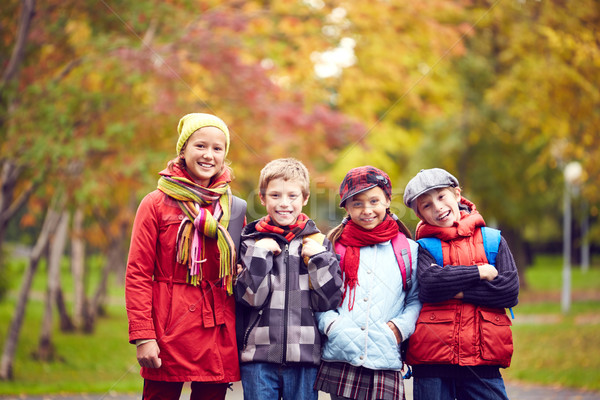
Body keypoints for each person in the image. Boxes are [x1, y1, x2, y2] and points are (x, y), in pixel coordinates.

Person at [125, 113, 246, 400]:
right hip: (168, 329)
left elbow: (240, 269)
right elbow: (138, 273)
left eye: (218, 149)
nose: (209, 155)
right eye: (200, 146)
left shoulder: (235, 208)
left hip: (217, 329)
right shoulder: (155, 203)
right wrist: (144, 336)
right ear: (183, 150)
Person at [402, 168, 520, 400]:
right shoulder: (421, 248)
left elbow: (508, 291)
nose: (437, 207)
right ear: (420, 215)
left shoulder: (493, 240)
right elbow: (429, 286)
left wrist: (455, 290)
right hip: (432, 361)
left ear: (457, 195)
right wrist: (479, 271)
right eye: (426, 205)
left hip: (482, 359)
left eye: (441, 196)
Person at [235, 158, 343, 400]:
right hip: (259, 358)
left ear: (304, 199)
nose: (284, 204)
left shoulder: (318, 243)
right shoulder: (250, 241)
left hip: (305, 358)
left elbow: (329, 301)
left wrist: (319, 260)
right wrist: (260, 255)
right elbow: (251, 298)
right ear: (262, 199)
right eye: (275, 195)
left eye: (292, 196)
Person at [314, 166, 422, 400]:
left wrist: (399, 329)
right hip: (343, 351)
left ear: (387, 200)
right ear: (347, 207)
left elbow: (415, 298)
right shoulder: (332, 246)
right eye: (357, 204)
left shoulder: (408, 250)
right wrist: (332, 326)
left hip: (384, 352)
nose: (367, 210)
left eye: (374, 201)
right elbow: (319, 295)